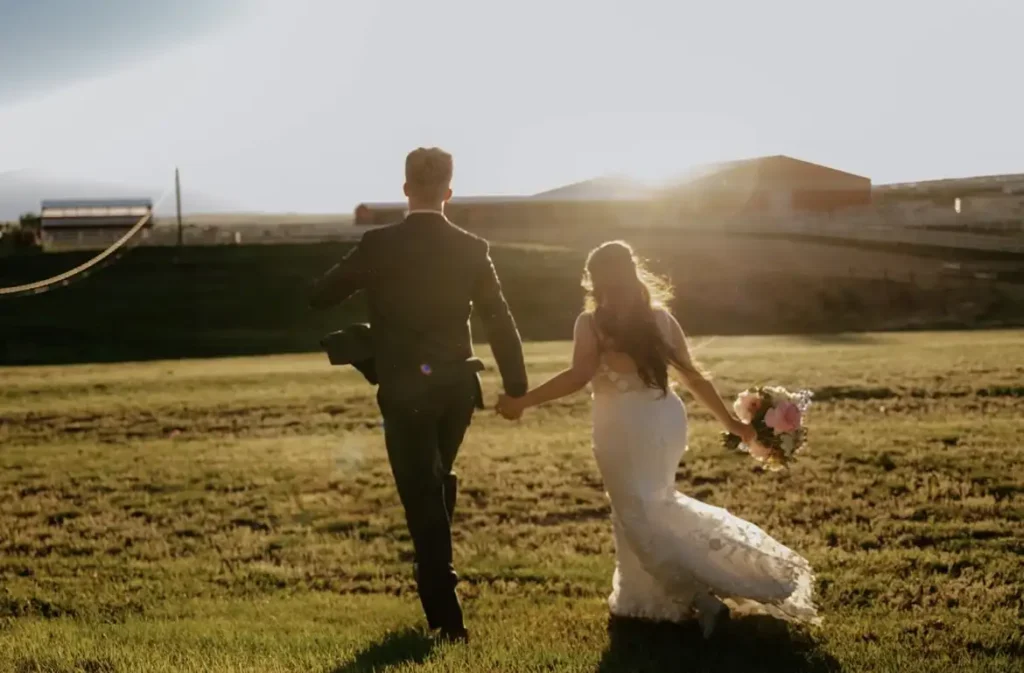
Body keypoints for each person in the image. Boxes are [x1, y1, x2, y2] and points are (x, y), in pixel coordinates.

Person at [496, 240, 819, 638]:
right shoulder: (661, 319)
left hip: (621, 427)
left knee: (636, 512)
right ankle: (648, 598)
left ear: (594, 280)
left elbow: (578, 377)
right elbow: (693, 377)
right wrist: (731, 423)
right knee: (655, 504)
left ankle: (699, 599)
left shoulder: (591, 323)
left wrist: (523, 402)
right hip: (664, 419)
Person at [310, 147, 528, 643]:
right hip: (458, 390)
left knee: (422, 495)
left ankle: (447, 620)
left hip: (406, 389)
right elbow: (500, 320)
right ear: (449, 192)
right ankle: (440, 594)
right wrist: (515, 386)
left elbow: (320, 296)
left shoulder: (378, 244)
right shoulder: (472, 247)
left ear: (405, 190)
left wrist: (364, 291)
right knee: (432, 483)